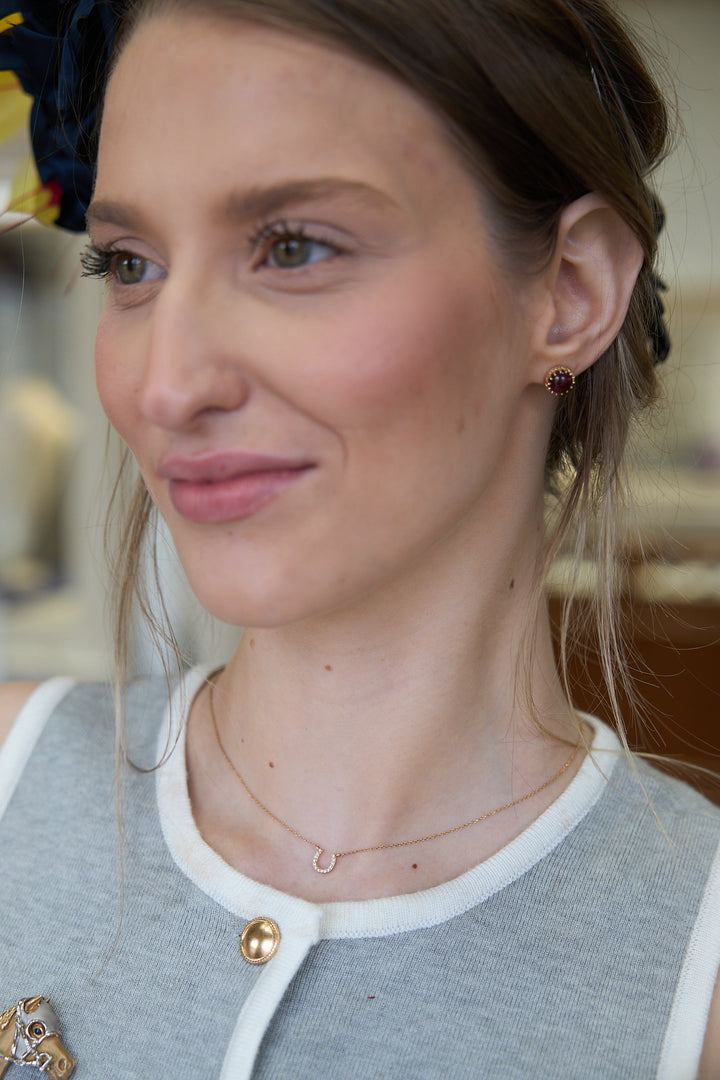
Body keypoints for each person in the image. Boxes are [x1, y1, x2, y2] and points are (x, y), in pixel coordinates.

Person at [0, 0, 718, 1076]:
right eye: (131, 264)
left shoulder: (697, 979)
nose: (166, 386)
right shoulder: (9, 785)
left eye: (293, 248)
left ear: (570, 295)